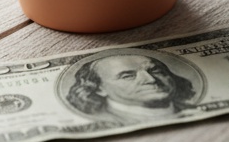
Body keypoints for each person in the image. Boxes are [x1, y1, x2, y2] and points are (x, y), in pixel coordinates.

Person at [64, 52, 198, 125]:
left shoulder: (192, 110)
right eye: (128, 76)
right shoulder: (101, 120)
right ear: (99, 88)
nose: (150, 80)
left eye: (155, 70)